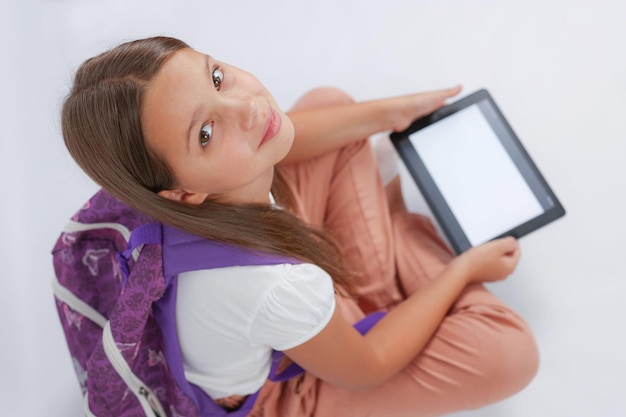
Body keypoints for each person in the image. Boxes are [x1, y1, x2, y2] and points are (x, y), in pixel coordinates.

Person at [61, 36, 539, 417]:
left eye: (217, 77)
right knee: (509, 353)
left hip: (270, 300)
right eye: (206, 133)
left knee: (329, 107)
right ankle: (397, 278)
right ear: (183, 193)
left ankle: (383, 275)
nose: (246, 107)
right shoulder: (271, 286)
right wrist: (463, 270)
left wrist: (388, 113)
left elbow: (291, 130)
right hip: (278, 393)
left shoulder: (163, 190)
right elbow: (366, 369)